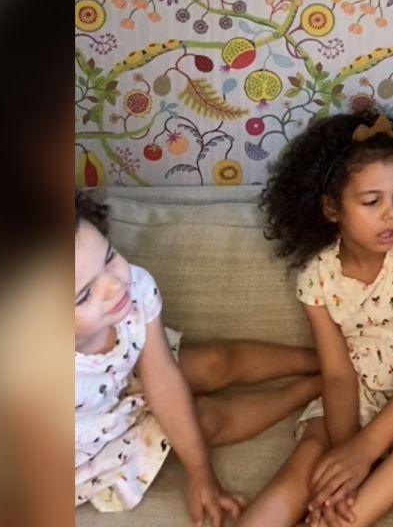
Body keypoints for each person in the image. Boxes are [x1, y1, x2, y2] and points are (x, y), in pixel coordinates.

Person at [240, 106, 393, 527]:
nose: (392, 213)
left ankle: (354, 512)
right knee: (309, 461)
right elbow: (337, 376)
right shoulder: (316, 279)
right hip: (354, 403)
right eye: (372, 201)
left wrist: (367, 451)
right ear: (332, 208)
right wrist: (346, 449)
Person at [74, 190, 322, 526]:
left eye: (108, 258)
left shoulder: (134, 289)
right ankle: (311, 390)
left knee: (213, 362)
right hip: (93, 441)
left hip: (129, 379)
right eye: (84, 294)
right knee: (203, 421)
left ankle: (328, 359)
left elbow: (162, 380)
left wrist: (200, 473)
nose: (114, 286)